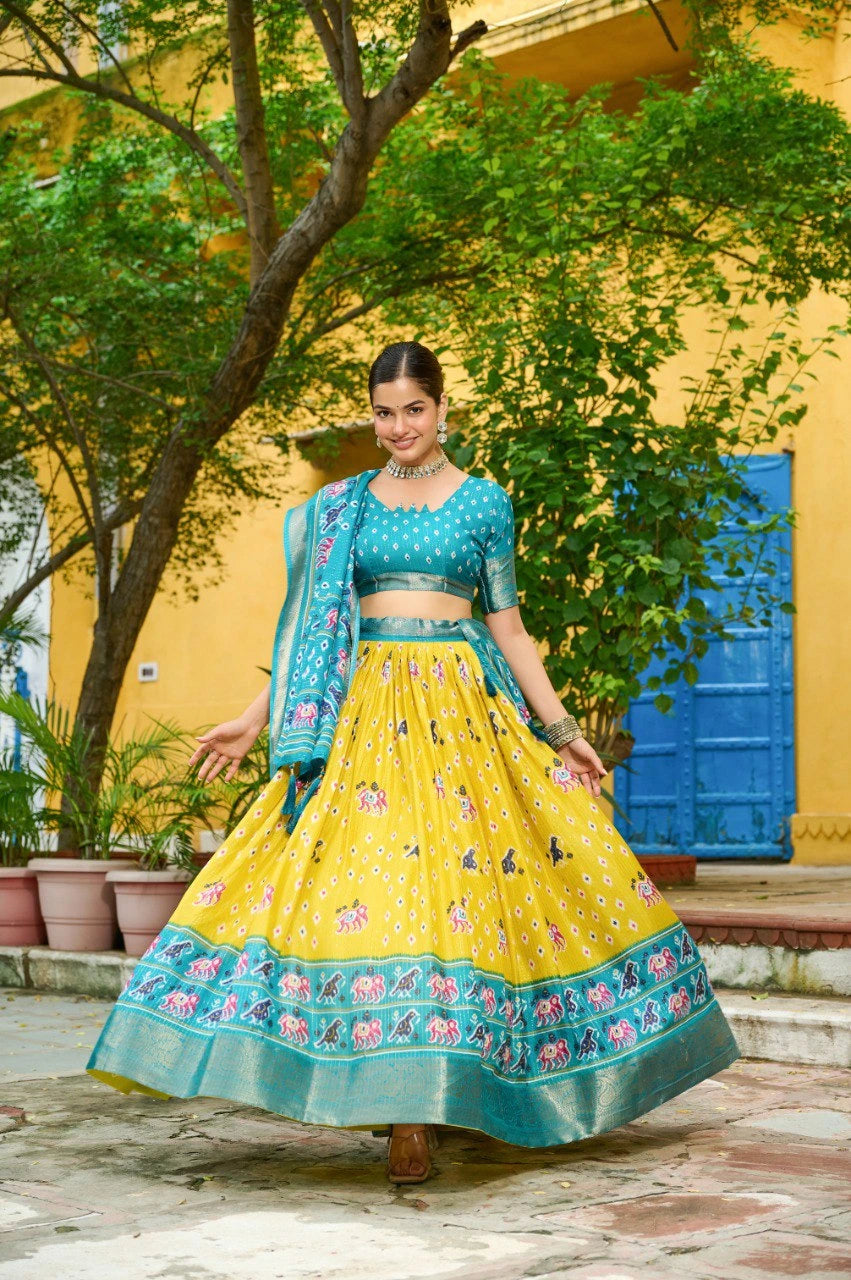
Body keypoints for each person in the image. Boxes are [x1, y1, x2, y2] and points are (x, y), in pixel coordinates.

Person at [86, 340, 740, 1185]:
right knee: (375, 893)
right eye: (383, 412)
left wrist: (560, 727)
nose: (398, 427)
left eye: (414, 410)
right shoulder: (340, 506)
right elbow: (318, 633)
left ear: (442, 410)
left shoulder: (483, 503)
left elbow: (508, 628)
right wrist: (258, 720)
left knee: (462, 899)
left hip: (465, 719)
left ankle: (433, 1102)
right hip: (362, 720)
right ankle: (402, 1108)